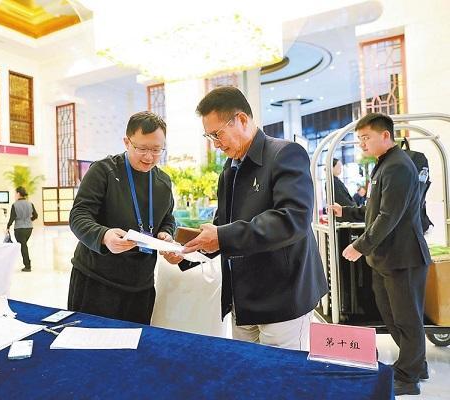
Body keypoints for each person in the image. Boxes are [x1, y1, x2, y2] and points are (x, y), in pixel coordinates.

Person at [181, 86, 327, 351]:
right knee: (247, 371)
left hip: (283, 296)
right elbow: (223, 226)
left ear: (241, 119)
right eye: (209, 136)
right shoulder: (229, 169)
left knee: (279, 373)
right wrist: (186, 251)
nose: (215, 144)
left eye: (217, 134)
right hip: (242, 299)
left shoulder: (285, 154)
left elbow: (292, 220)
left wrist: (222, 235)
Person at [330, 113, 431, 396]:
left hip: (404, 258)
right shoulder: (384, 165)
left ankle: (408, 378)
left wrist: (359, 246)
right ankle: (416, 365)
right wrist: (346, 211)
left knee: (407, 320)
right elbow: (374, 210)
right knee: (393, 317)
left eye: (366, 138)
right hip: (387, 259)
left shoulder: (398, 166)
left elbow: (388, 217)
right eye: (359, 139)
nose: (362, 144)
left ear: (385, 135)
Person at [68, 111, 176, 325]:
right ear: (127, 142)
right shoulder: (103, 171)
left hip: (141, 285)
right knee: (89, 341)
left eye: (156, 150)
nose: (149, 157)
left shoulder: (163, 182)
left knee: (135, 342)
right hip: (96, 281)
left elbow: (168, 218)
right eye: (142, 148)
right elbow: (79, 215)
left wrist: (166, 234)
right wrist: (104, 235)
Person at [6, 186, 38, 272]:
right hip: (29, 228)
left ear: (18, 193)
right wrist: (29, 220)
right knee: (24, 245)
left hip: (19, 229)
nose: (15, 195)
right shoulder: (30, 204)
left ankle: (27, 266)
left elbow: (12, 218)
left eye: (15, 193)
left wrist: (8, 227)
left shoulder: (15, 205)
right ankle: (27, 264)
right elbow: (35, 215)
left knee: (23, 246)